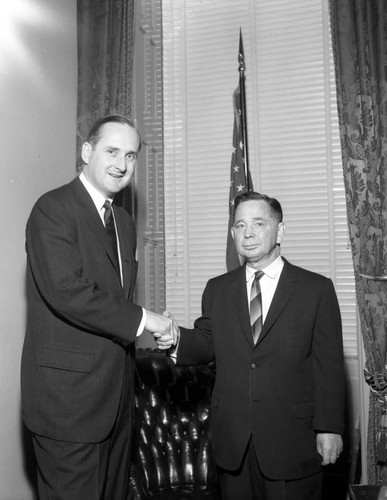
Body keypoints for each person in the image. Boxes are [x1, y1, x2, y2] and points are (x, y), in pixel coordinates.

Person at [21, 115, 176, 500]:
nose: (122, 165)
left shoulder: (122, 220)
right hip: (68, 405)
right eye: (111, 151)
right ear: (87, 152)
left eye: (131, 155)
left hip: (117, 402)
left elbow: (113, 299)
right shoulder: (52, 209)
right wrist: (147, 319)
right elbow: (68, 292)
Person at [161, 191, 345, 500]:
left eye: (258, 223)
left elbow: (328, 367)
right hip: (234, 445)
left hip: (292, 444)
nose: (247, 233)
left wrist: (329, 428)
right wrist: (174, 337)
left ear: (279, 231)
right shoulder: (218, 289)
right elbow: (206, 342)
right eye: (239, 225)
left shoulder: (316, 289)